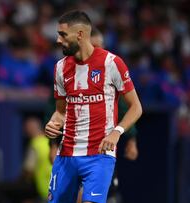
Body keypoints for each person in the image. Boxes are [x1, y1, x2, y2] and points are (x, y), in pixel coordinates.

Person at [45, 11, 142, 203]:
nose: (58, 39)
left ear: (80, 34)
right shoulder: (60, 68)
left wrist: (117, 132)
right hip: (66, 155)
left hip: (99, 156)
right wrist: (53, 124)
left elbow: (136, 107)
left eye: (63, 34)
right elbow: (60, 112)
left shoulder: (112, 63)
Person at [0, 117, 52, 203]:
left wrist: (19, 180)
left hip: (40, 187)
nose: (25, 131)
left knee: (0, 189)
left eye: (26, 128)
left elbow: (28, 170)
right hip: (51, 186)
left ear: (30, 129)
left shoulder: (36, 143)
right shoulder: (49, 141)